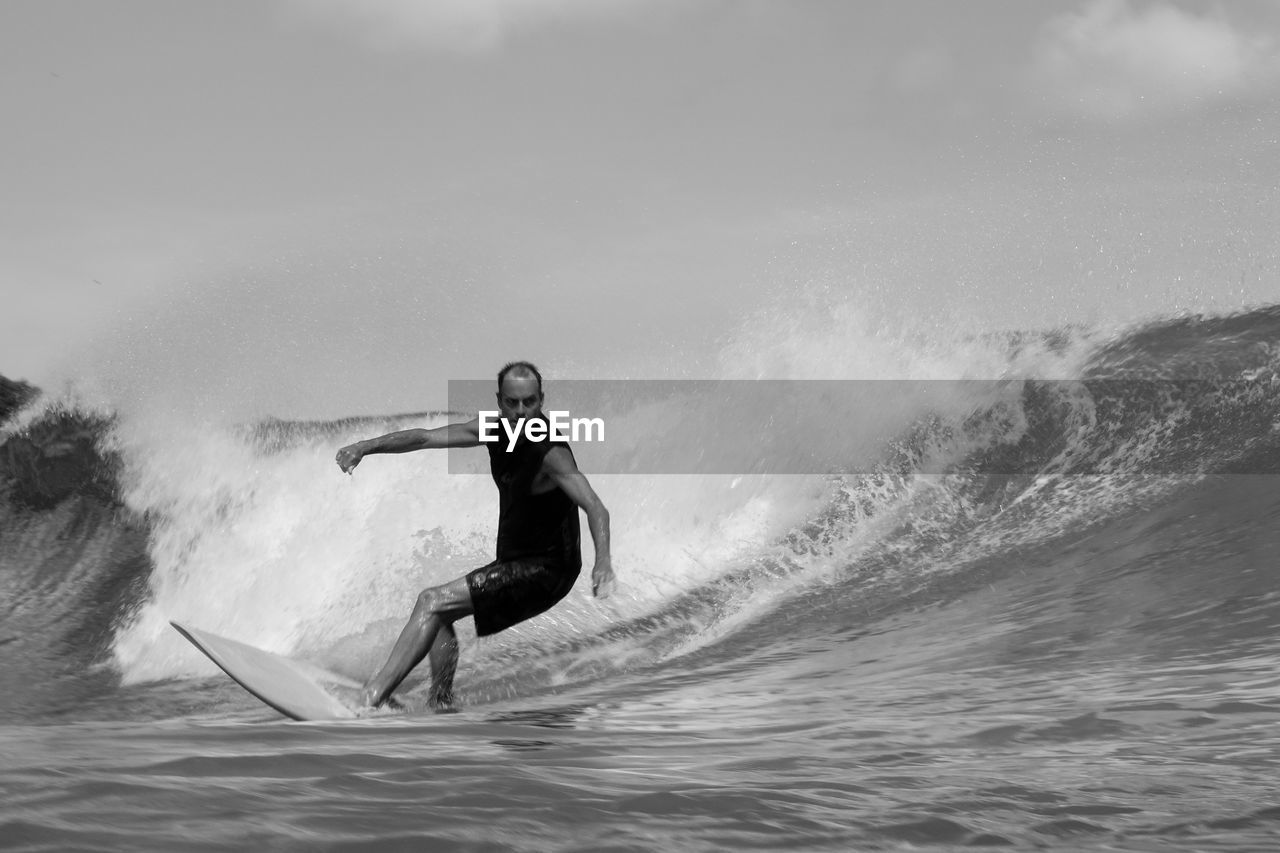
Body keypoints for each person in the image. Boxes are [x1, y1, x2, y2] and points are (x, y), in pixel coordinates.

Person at [335, 361, 613, 710]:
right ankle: (441, 701)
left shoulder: (550, 452)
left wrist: (603, 561)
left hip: (547, 569)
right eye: (512, 403)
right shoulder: (493, 430)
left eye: (530, 403)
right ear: (499, 401)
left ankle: (371, 697)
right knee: (438, 614)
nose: (521, 412)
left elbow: (596, 507)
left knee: (431, 602)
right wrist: (365, 446)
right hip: (516, 561)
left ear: (542, 400)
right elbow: (424, 437)